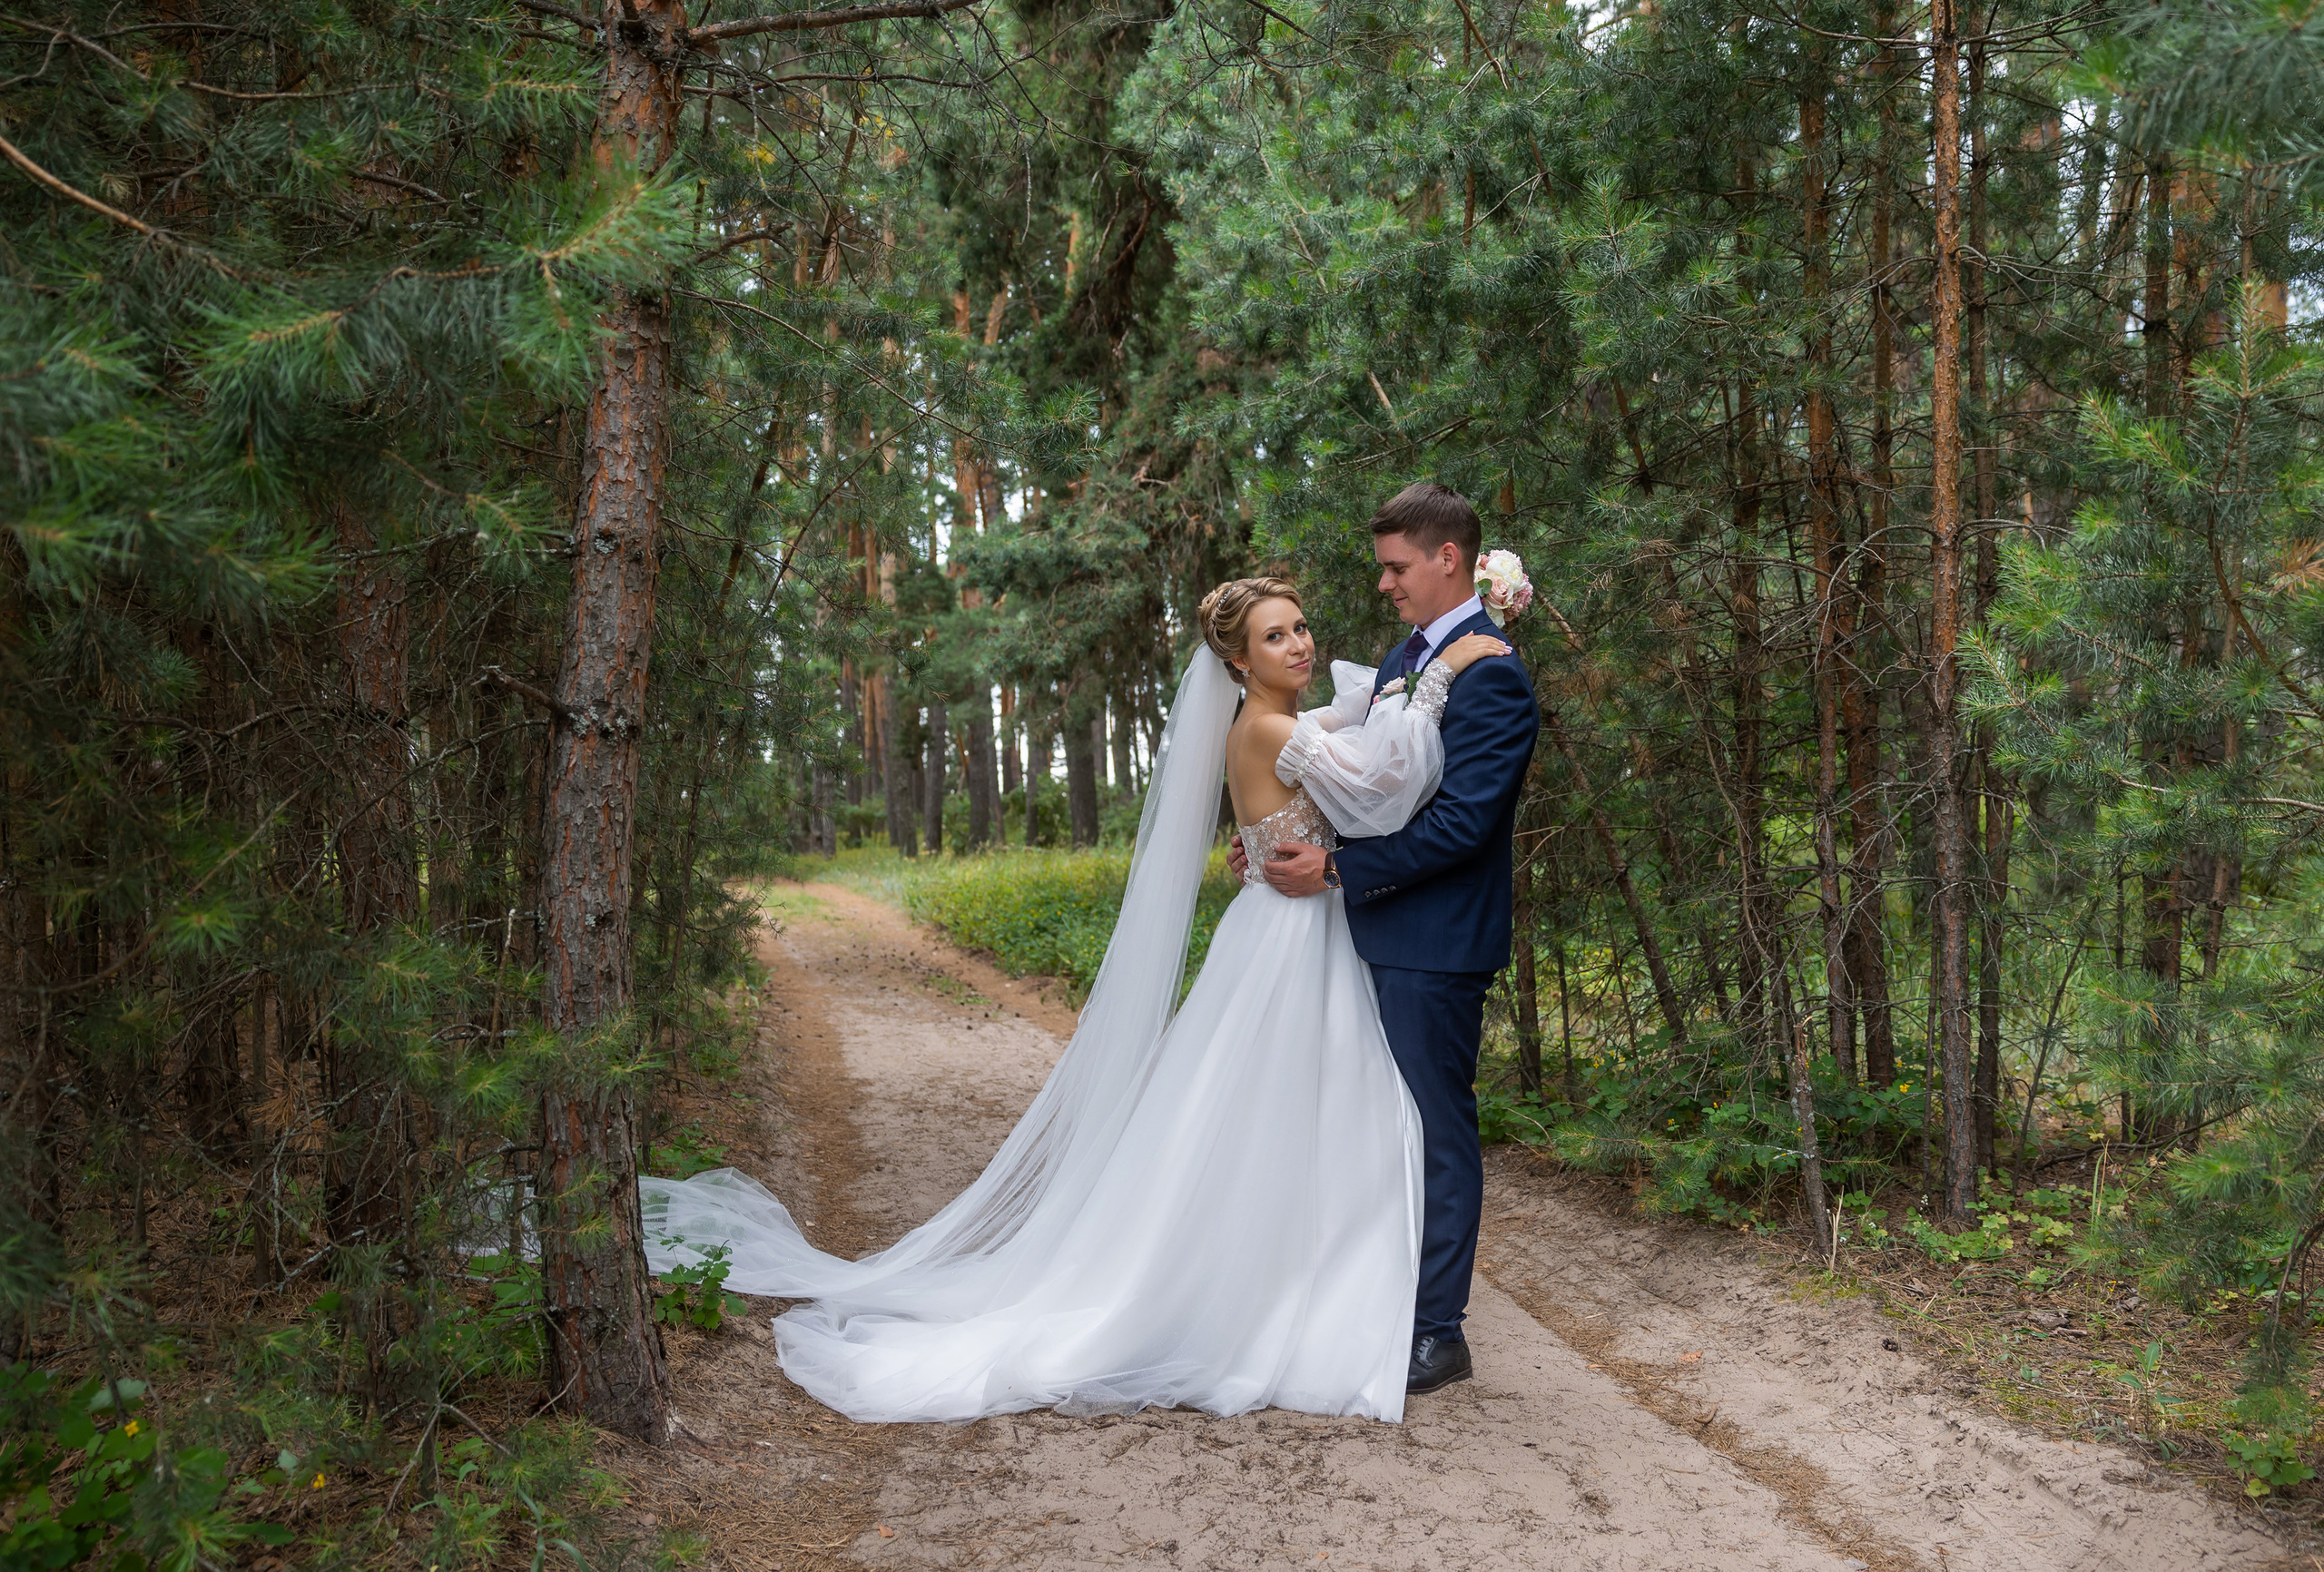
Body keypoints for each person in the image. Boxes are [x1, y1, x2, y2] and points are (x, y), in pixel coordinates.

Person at [637, 571, 1509, 1424]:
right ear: (1238, 662)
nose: (1300, 643)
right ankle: (1249, 1292)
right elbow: (1380, 787)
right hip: (1292, 937)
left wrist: (1423, 670)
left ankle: (1310, 1281)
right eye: (1275, 635)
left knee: (1299, 1112)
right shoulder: (1269, 729)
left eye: (1301, 626)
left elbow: (1346, 731)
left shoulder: (1277, 721)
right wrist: (1437, 680)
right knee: (1271, 1111)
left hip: (1298, 924)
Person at [1235, 482, 1538, 1396]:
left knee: (1432, 1129)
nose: (1384, 585)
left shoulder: (1493, 679)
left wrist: (1333, 873)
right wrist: (1269, 833)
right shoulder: (1413, 653)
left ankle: (1435, 1333)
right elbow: (1368, 775)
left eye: (1396, 567)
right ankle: (1371, 1299)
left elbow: (1462, 826)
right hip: (1365, 929)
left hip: (1432, 941)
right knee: (1372, 1128)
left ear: (1449, 559)